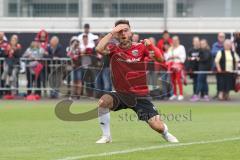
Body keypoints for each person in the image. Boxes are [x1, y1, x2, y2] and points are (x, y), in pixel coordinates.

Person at [95, 19, 178, 144]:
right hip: (121, 93)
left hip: (140, 95)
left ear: (131, 32)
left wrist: (151, 46)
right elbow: (99, 48)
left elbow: (160, 59)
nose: (123, 33)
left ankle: (166, 133)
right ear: (116, 34)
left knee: (158, 127)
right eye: (119, 31)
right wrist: (112, 32)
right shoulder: (113, 49)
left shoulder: (141, 47)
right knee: (103, 102)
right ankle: (106, 136)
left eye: (125, 30)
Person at [166, 36, 186, 101]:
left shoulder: (181, 47)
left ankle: (181, 94)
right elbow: (167, 57)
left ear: (178, 40)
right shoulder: (170, 48)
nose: (175, 41)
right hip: (171, 65)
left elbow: (183, 57)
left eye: (176, 40)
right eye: (173, 40)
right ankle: (174, 94)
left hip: (178, 65)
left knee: (178, 80)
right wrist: (172, 57)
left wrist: (176, 57)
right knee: (172, 80)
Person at [211, 32, 225, 99]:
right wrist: (222, 51)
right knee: (218, 80)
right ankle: (218, 93)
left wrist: (219, 52)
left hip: (225, 66)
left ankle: (224, 94)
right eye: (220, 36)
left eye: (222, 36)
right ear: (218, 37)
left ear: (224, 37)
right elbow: (213, 53)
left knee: (225, 81)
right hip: (217, 66)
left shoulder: (227, 44)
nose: (221, 38)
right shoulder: (215, 45)